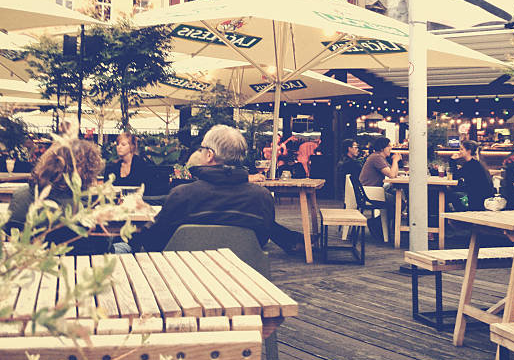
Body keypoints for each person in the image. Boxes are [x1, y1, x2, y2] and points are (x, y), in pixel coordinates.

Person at [131, 125, 300, 253]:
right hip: (243, 280)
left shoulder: (183, 195)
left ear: (210, 155)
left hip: (184, 277)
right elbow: (261, 241)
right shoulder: (262, 198)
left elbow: (154, 242)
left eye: (202, 149)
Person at [7, 138, 109, 255]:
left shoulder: (20, 196)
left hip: (30, 267)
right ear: (86, 171)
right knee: (123, 246)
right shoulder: (87, 206)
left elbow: (10, 236)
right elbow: (103, 247)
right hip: (79, 268)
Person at [449, 140, 493, 211]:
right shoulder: (475, 163)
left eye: (461, 149)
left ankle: (459, 218)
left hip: (476, 200)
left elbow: (455, 176)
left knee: (450, 195)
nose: (459, 151)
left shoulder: (470, 165)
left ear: (468, 151)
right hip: (480, 197)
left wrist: (452, 160)